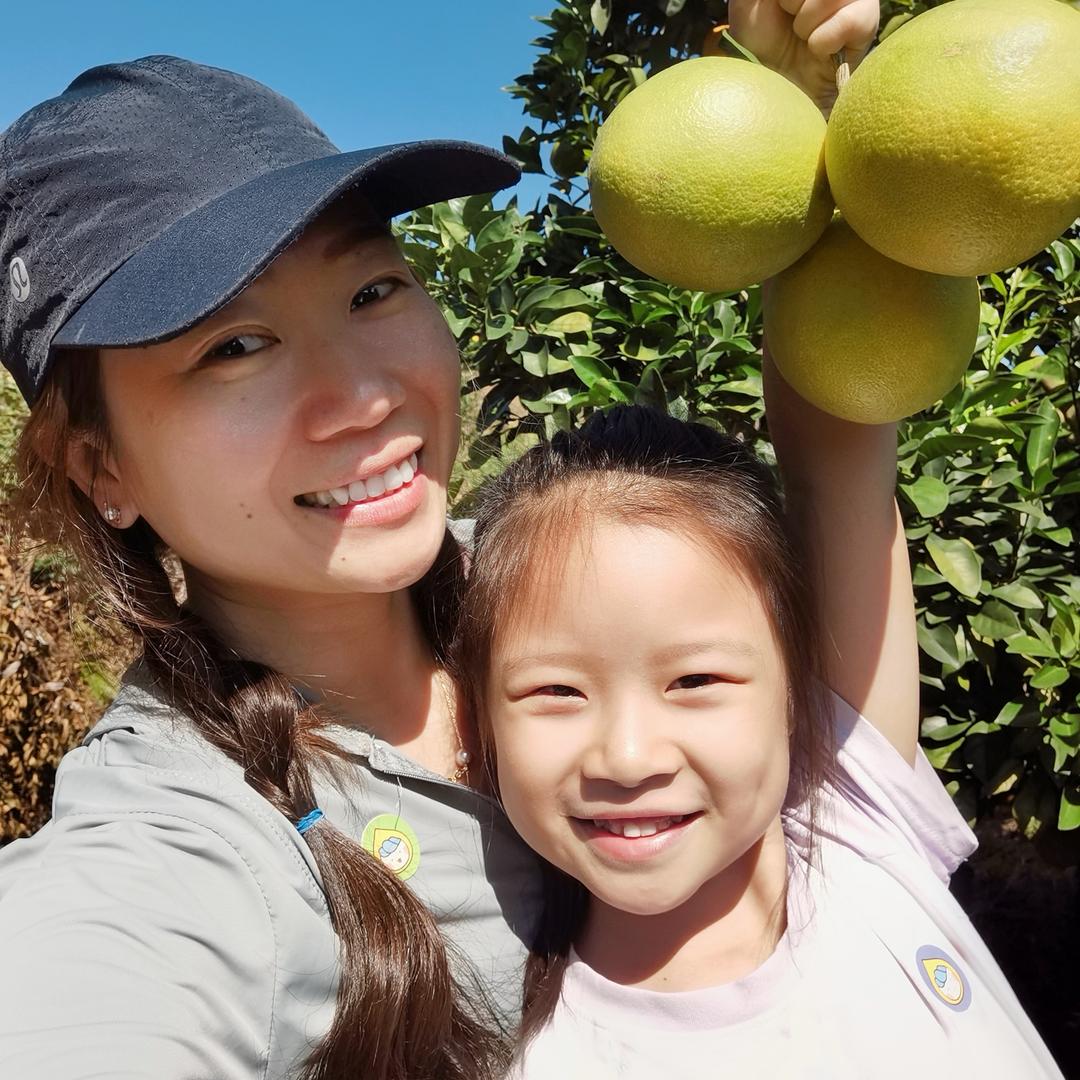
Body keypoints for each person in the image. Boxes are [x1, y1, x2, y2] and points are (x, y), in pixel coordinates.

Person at [0, 3, 880, 1079]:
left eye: (373, 289)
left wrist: (810, 150)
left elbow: (850, 695)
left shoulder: (562, 577)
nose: (364, 395)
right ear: (101, 470)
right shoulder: (178, 848)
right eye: (234, 346)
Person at [452, 400, 1065, 1079]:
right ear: (480, 722)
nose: (627, 758)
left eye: (695, 679)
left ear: (793, 696)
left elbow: (845, 419)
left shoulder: (857, 812)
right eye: (557, 691)